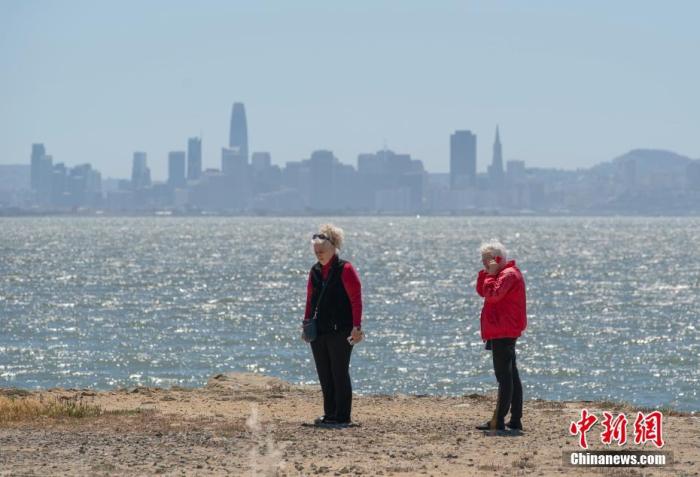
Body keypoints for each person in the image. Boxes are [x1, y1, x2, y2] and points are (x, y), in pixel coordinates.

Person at [302, 224, 363, 427]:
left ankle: (343, 416)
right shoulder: (315, 271)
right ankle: (330, 414)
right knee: (324, 373)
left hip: (342, 330)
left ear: (333, 248)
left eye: (322, 251)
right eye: (316, 251)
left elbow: (356, 299)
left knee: (339, 371)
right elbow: (310, 299)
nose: (318, 255)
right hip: (319, 330)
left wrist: (357, 326)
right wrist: (306, 324)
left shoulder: (345, 269)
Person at [475, 240, 527, 431]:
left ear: (496, 259)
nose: (484, 264)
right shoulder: (502, 274)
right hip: (501, 329)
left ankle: (499, 421)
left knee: (504, 376)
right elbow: (482, 291)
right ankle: (515, 419)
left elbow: (493, 295)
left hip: (503, 330)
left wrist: (490, 274)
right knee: (511, 374)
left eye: (486, 260)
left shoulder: (508, 275)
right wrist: (487, 274)